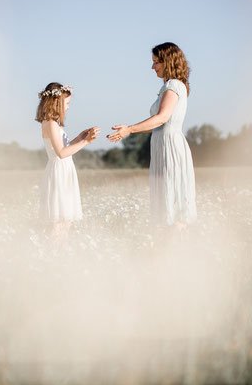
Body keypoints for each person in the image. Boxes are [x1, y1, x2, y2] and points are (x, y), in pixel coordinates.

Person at [107, 42, 196, 229]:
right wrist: (127, 131)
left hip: (170, 147)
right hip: (163, 143)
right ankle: (168, 251)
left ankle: (175, 251)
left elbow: (162, 118)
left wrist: (130, 129)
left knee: (173, 203)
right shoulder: (171, 86)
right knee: (167, 202)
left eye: (156, 62)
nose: (152, 67)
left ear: (168, 61)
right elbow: (157, 125)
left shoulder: (172, 85)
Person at [36, 82, 100, 241]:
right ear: (57, 102)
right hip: (59, 171)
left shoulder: (53, 123)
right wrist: (87, 142)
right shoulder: (50, 123)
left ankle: (60, 252)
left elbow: (64, 147)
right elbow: (61, 153)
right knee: (59, 221)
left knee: (66, 220)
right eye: (68, 103)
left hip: (63, 169)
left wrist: (80, 137)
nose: (69, 107)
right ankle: (54, 252)